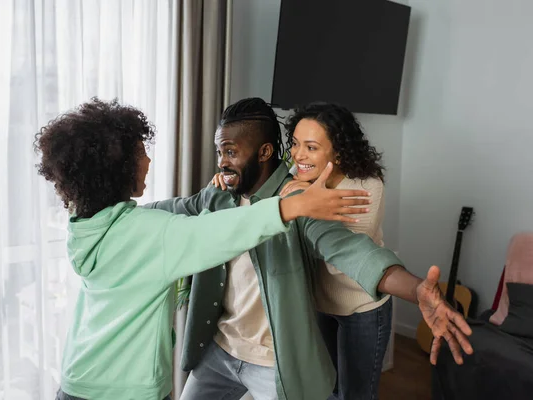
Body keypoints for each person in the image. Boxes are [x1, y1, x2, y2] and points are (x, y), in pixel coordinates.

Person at [33, 98, 370, 400]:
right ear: (117, 167)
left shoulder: (87, 224)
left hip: (77, 379)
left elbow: (183, 209)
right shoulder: (152, 233)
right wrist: (292, 207)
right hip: (127, 391)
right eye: (140, 153)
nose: (149, 161)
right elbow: (222, 232)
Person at [148, 97, 473, 400]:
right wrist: (111, 212)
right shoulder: (219, 195)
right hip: (221, 349)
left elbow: (351, 250)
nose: (222, 163)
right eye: (220, 153)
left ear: (263, 153)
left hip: (291, 349)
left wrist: (417, 289)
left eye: (230, 152)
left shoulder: (308, 201)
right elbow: (172, 209)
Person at [280, 102, 393, 399]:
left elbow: (337, 251)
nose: (298, 155)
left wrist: (301, 199)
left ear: (339, 152)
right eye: (295, 144)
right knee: (326, 389)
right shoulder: (298, 173)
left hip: (362, 308)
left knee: (355, 394)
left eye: (311, 147)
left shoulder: (367, 186)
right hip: (321, 303)